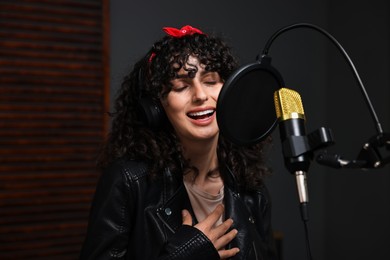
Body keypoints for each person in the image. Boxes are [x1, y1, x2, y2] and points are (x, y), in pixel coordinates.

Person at [80, 25, 278, 260]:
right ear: (156, 107)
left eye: (211, 81)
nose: (200, 95)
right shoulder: (128, 182)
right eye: (181, 86)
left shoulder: (252, 192)